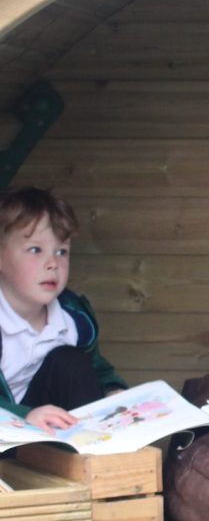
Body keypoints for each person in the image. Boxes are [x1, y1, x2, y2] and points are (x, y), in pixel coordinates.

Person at [0, 186, 125, 435]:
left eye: (62, 252)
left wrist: (112, 391)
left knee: (71, 361)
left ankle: (93, 449)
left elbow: (99, 371)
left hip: (43, 430)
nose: (52, 264)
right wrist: (23, 417)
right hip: (8, 427)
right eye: (35, 250)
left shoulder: (72, 317)